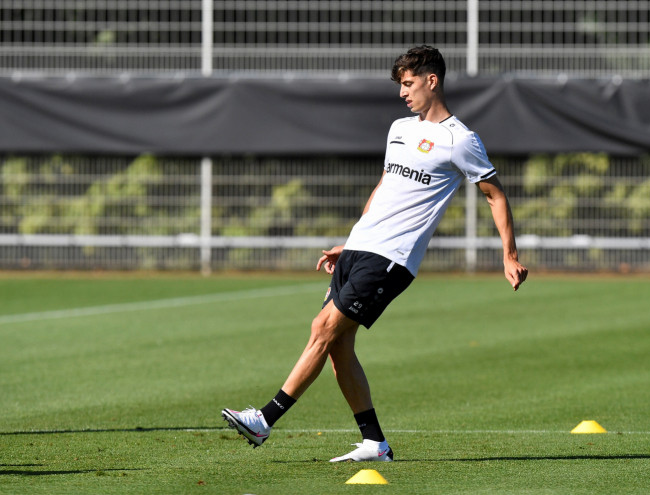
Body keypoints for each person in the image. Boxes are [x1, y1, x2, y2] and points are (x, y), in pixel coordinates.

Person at [222, 45, 528, 462]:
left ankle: (265, 420)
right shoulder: (399, 129)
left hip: (393, 257)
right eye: (400, 85)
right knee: (337, 348)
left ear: (431, 81)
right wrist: (351, 241)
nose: (402, 93)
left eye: (408, 83)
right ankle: (374, 443)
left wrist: (508, 255)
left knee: (322, 327)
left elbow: (494, 195)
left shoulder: (460, 140)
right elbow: (385, 189)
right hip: (361, 246)